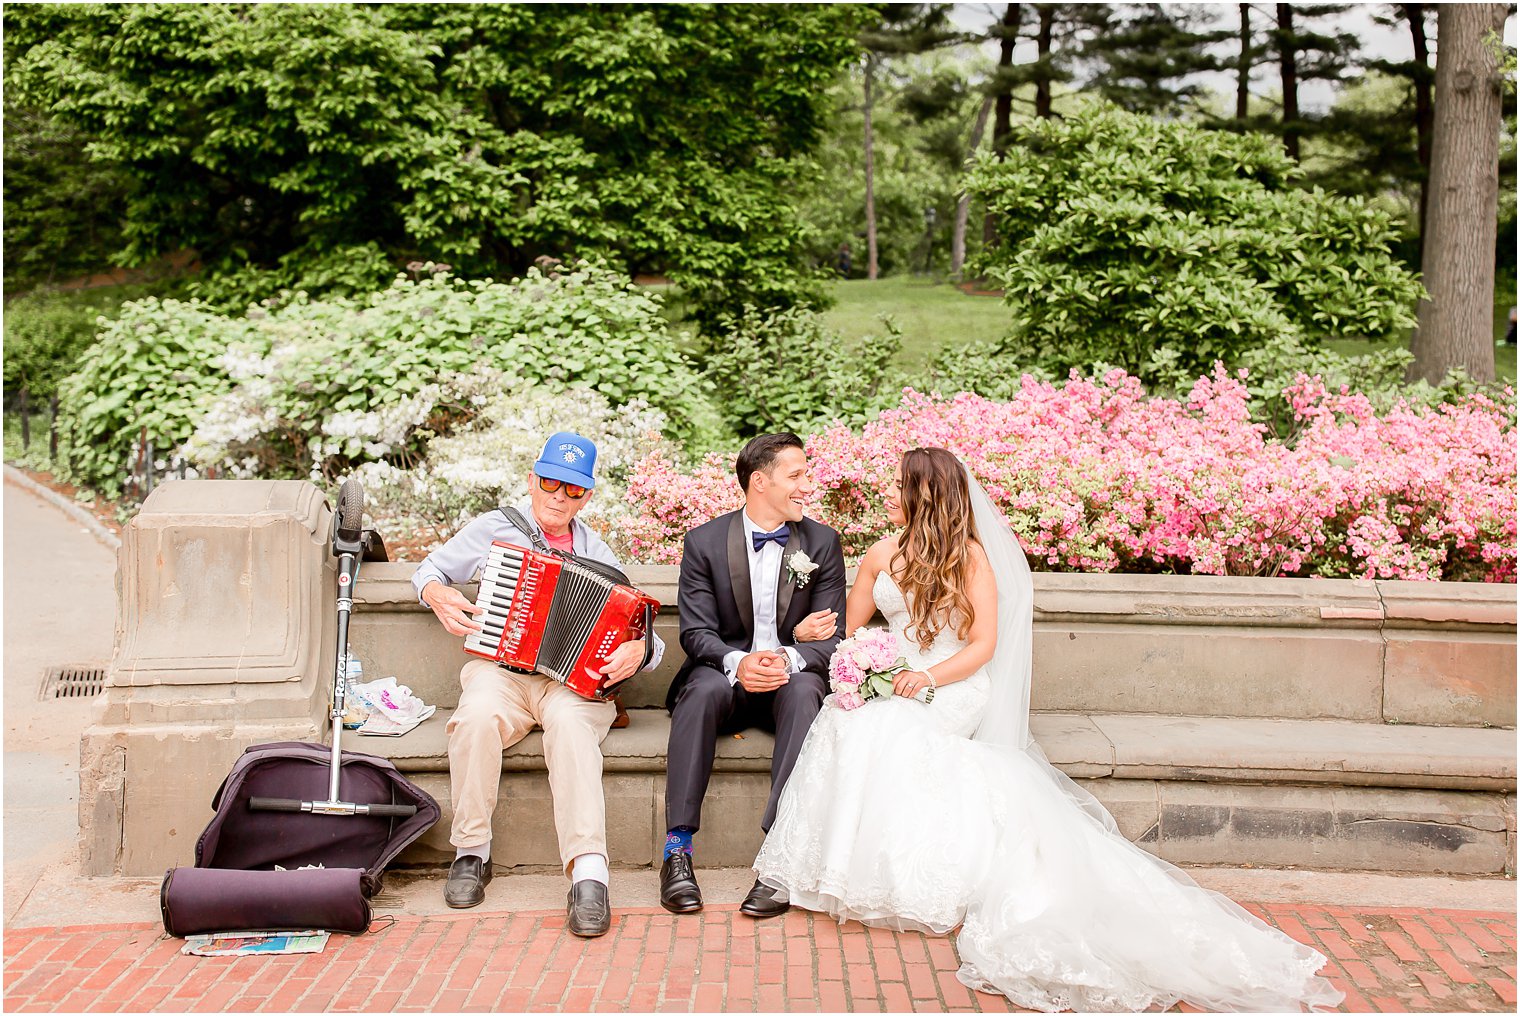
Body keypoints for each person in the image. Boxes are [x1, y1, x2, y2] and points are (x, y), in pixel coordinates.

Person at [754, 447, 1344, 1012]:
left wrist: (926, 678)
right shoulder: (881, 554)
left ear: (923, 495)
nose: (888, 493)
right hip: (898, 675)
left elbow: (982, 647)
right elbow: (854, 631)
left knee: (895, 728)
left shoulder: (972, 560)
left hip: (953, 682)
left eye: (897, 486)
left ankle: (904, 872)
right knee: (851, 718)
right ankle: (841, 867)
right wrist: (852, 655)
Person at [412, 431, 665, 937]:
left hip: (569, 687)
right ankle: (471, 852)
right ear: (532, 480)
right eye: (551, 482)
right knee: (475, 717)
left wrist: (639, 650)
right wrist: (437, 593)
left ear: (587, 496)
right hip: (502, 673)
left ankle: (589, 874)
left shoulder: (598, 551)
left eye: (574, 490)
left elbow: (644, 636)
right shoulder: (495, 528)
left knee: (571, 728)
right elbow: (430, 568)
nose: (559, 496)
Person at [660, 432, 846, 919]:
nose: (809, 485)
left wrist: (786, 657)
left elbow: (832, 637)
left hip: (789, 679)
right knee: (699, 692)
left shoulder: (822, 542)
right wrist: (739, 663)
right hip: (725, 676)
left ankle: (779, 862)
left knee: (808, 690)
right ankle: (677, 851)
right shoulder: (703, 542)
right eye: (797, 475)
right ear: (759, 482)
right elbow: (696, 633)